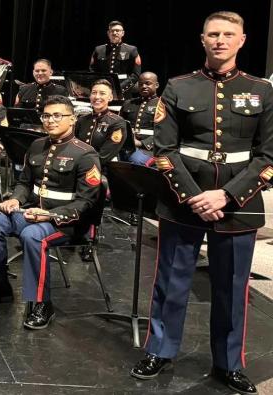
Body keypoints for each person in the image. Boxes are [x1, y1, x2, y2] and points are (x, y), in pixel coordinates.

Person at [130, 12, 267, 394]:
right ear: (202, 39)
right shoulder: (177, 86)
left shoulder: (263, 90)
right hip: (182, 199)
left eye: (228, 34)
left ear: (242, 40)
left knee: (232, 287)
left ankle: (228, 363)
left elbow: (268, 155)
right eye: (213, 34)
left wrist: (226, 194)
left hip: (239, 202)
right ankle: (159, 349)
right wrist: (193, 196)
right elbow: (164, 149)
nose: (220, 40)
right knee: (171, 282)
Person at [0, 95, 102, 330]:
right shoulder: (37, 145)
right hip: (32, 213)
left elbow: (87, 202)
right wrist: (15, 199)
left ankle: (41, 303)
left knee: (33, 236)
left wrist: (50, 215)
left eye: (57, 116)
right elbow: (24, 182)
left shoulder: (86, 154)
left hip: (67, 223)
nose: (50, 120)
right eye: (46, 116)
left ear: (72, 119)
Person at [73, 79, 128, 166]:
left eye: (102, 93)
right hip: (77, 165)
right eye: (94, 93)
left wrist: (81, 166)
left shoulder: (117, 122)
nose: (97, 97)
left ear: (110, 97)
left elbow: (104, 156)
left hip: (102, 168)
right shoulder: (82, 120)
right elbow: (74, 145)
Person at [89, 20, 142, 94]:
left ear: (122, 33)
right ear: (108, 33)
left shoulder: (131, 50)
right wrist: (101, 85)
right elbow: (93, 70)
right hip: (102, 89)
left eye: (117, 31)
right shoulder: (99, 49)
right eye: (112, 31)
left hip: (123, 90)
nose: (114, 33)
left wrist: (120, 88)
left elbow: (135, 74)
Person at [119, 72, 160, 166]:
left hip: (149, 149)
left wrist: (142, 143)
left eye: (148, 83)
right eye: (141, 84)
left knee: (137, 161)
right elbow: (119, 125)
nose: (144, 86)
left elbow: (165, 132)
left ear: (156, 85)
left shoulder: (162, 105)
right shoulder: (129, 103)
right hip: (126, 146)